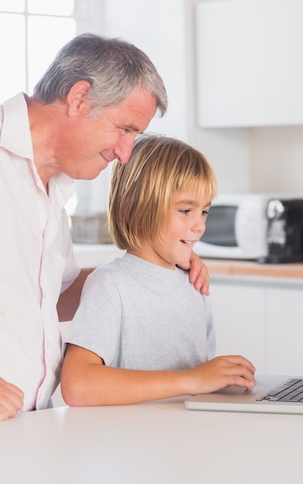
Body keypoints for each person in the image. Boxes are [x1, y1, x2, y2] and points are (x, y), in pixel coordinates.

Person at [0, 33, 210, 421]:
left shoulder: (54, 185)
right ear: (79, 98)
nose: (125, 152)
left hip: (30, 425)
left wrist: (154, 269)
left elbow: (51, 296)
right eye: (125, 129)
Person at [60, 135, 256, 406]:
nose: (199, 226)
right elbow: (77, 385)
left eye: (204, 212)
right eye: (186, 210)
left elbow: (199, 384)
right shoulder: (110, 285)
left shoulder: (193, 283)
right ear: (134, 208)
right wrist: (191, 379)